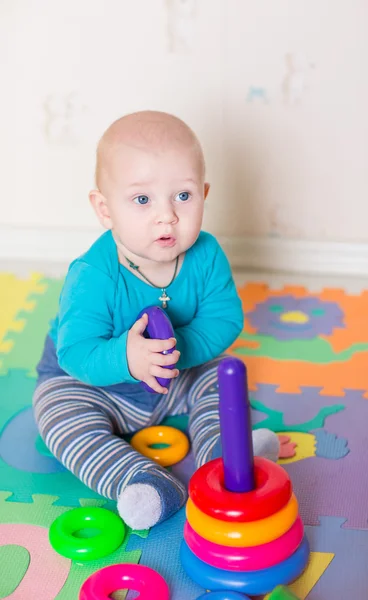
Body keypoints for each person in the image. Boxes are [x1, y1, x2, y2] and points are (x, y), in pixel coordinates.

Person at [33, 111, 279, 530]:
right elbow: (75, 351)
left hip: (175, 375)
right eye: (143, 200)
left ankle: (226, 458)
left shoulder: (206, 254)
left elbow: (225, 319)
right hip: (93, 384)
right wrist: (127, 359)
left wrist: (177, 351)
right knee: (54, 413)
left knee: (223, 374)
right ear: (104, 209)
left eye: (182, 196)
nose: (167, 216)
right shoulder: (92, 274)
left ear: (203, 193)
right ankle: (142, 482)